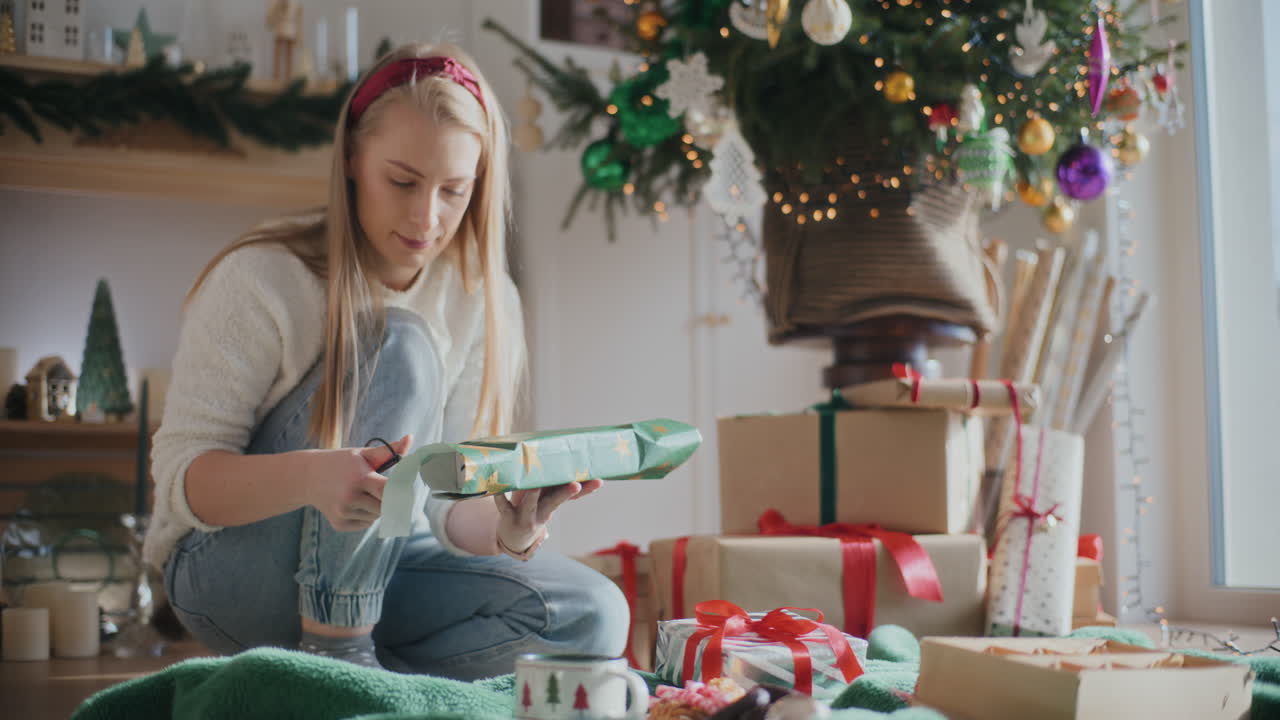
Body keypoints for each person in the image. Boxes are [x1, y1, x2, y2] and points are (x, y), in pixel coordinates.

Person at [142, 43, 629, 677]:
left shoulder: (485, 299)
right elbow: (183, 482)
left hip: (391, 570)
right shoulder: (261, 277)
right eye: (402, 181)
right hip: (230, 577)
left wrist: (510, 529)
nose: (427, 218)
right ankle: (340, 657)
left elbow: (443, 504)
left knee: (595, 613)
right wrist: (315, 479)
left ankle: (334, 669)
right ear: (350, 160)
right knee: (399, 345)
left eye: (454, 190)